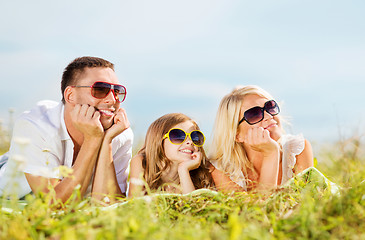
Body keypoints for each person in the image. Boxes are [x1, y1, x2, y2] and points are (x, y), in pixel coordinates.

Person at [0, 56, 133, 203]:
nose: (112, 100)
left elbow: (110, 205)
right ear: (70, 95)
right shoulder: (35, 125)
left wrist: (106, 141)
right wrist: (93, 139)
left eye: (117, 91)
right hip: (11, 188)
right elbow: (54, 204)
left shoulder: (120, 134)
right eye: (100, 89)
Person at [209, 85, 313, 192]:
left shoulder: (297, 150)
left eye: (270, 106)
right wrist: (271, 154)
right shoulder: (219, 169)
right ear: (237, 135)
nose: (268, 116)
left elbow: (304, 203)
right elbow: (258, 207)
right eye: (254, 114)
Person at [128, 113, 213, 197]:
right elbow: (134, 206)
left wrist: (183, 170)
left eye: (195, 137)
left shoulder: (201, 172)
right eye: (178, 136)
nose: (190, 142)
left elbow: (192, 207)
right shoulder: (142, 162)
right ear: (159, 140)